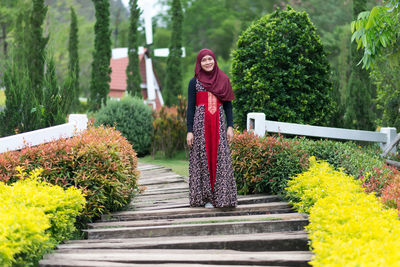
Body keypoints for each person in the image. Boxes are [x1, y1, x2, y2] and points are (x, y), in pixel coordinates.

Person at [186, 48, 237, 209]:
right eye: (204, 60)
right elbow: (190, 108)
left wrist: (230, 126)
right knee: (203, 158)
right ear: (199, 63)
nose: (207, 62)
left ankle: (222, 197)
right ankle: (206, 198)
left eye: (210, 59)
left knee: (220, 157)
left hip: (220, 125)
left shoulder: (223, 80)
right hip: (201, 126)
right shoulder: (194, 82)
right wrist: (189, 131)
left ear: (214, 60)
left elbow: (228, 106)